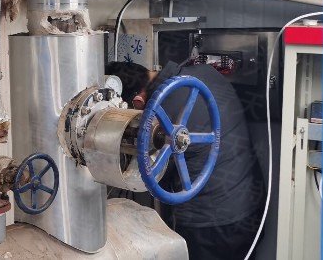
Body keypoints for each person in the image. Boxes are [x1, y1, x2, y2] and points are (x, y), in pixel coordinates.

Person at [106, 60, 265, 260]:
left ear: (137, 102)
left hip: (211, 226)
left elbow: (153, 173)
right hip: (251, 205)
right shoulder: (204, 72)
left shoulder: (163, 112)